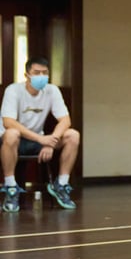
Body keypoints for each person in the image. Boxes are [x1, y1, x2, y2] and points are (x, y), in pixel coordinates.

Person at [0, 57, 80, 212]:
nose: (41, 76)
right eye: (37, 73)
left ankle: (61, 184)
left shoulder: (52, 90)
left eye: (45, 73)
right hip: (14, 141)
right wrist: (41, 139)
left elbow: (65, 120)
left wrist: (51, 141)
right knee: (12, 133)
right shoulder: (13, 90)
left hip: (39, 140)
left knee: (73, 135)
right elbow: (8, 122)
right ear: (27, 75)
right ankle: (11, 188)